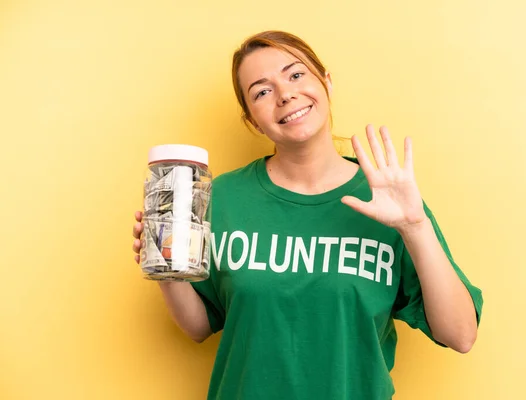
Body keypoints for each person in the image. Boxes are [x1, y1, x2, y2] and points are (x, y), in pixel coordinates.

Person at [132, 30, 483, 400]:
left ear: (326, 82)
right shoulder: (223, 198)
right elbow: (200, 327)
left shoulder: (389, 198)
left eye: (296, 75)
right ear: (252, 120)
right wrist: (164, 268)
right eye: (262, 91)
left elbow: (460, 335)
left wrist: (414, 226)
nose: (285, 95)